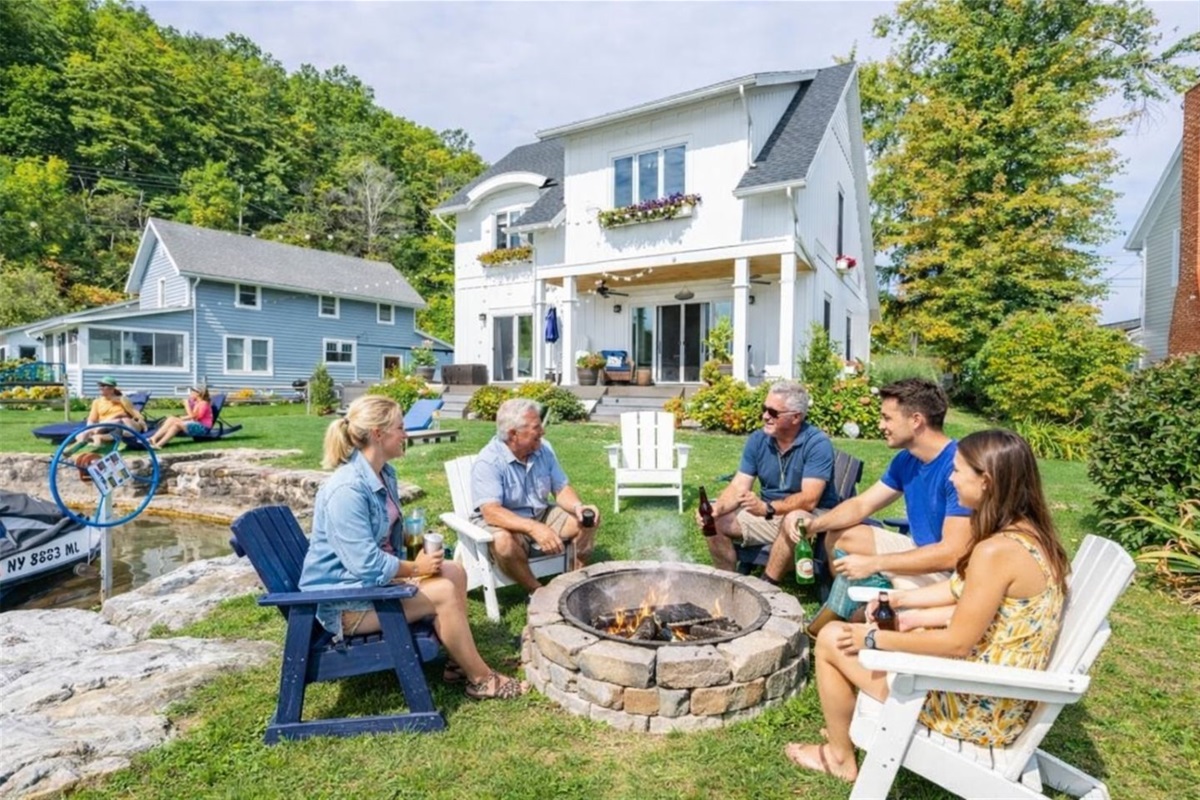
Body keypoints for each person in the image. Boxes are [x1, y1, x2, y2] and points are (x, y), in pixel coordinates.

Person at [783, 429, 1070, 783]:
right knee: (869, 629)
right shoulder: (1028, 535)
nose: (951, 479)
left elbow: (956, 643)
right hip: (998, 694)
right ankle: (846, 723)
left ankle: (840, 757)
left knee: (831, 639)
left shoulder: (995, 551)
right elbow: (961, 594)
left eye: (958, 471)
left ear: (986, 481)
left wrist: (872, 640)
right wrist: (899, 602)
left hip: (975, 704)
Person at [298, 395, 527, 701]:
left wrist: (416, 560)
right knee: (443, 591)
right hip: (348, 604)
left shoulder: (383, 474)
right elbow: (365, 564)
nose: (405, 434)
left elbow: (384, 545)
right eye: (400, 428)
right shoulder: (346, 490)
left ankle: (458, 662)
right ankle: (481, 679)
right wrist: (416, 569)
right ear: (379, 434)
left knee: (454, 571)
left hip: (372, 586)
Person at [764, 378, 971, 595]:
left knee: (904, 613)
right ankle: (848, 602)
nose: (881, 425)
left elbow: (952, 553)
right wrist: (814, 525)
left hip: (952, 572)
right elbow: (862, 504)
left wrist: (877, 563)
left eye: (887, 418)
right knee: (840, 536)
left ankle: (877, 606)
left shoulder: (960, 467)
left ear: (916, 420)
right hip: (919, 548)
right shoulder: (906, 460)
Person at [700, 381, 839, 574]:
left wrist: (767, 508)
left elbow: (809, 499)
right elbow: (739, 484)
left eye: (773, 413)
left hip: (811, 516)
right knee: (713, 521)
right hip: (769, 513)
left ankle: (768, 584)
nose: (765, 416)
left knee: (794, 519)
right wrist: (718, 508)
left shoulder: (817, 444)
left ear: (796, 417)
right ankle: (728, 581)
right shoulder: (758, 440)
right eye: (764, 409)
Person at [471, 398, 599, 594]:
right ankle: (538, 591)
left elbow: (561, 488)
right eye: (536, 428)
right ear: (514, 434)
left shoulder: (543, 449)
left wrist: (577, 507)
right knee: (503, 542)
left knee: (587, 518)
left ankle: (572, 584)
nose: (543, 432)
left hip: (539, 514)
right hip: (505, 521)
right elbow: (491, 512)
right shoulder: (489, 461)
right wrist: (534, 528)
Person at [73, 376, 146, 448]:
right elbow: (92, 420)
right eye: (100, 385)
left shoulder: (122, 400)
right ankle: (95, 438)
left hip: (121, 426)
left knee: (120, 421)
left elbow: (134, 414)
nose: (100, 387)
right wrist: (89, 429)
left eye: (103, 386)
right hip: (104, 427)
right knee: (79, 436)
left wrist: (114, 417)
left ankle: (97, 438)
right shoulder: (97, 402)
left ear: (112, 388)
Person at [147, 386, 213, 448]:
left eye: (192, 392)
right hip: (195, 424)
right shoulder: (197, 402)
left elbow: (194, 417)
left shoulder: (203, 404)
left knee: (176, 424)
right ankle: (155, 440)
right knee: (172, 420)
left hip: (203, 428)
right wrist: (180, 417)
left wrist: (187, 405)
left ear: (198, 394)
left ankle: (157, 443)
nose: (190, 394)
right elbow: (192, 416)